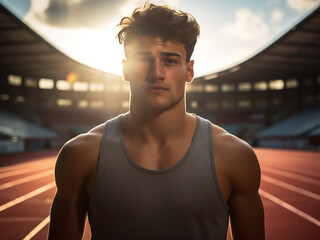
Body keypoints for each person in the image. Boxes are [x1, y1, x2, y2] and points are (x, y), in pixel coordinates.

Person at [48, 2, 265, 240]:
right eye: (143, 60)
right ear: (125, 70)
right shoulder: (81, 155)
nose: (156, 73)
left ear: (189, 71)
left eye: (170, 61)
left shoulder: (235, 156)